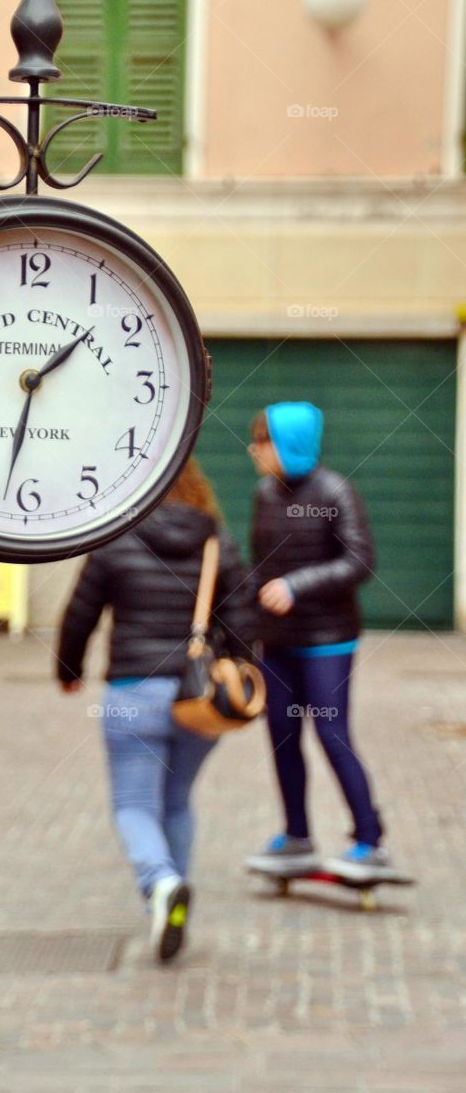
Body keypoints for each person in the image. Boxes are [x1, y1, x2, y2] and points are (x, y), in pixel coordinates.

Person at [55, 460, 255, 963]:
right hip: (198, 700)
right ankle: (170, 901)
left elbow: (81, 611)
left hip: (132, 692)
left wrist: (69, 667)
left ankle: (161, 885)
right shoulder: (215, 541)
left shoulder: (115, 536)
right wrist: (239, 671)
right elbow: (244, 620)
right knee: (178, 801)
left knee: (134, 804)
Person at [245, 401, 396, 881]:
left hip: (328, 640)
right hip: (278, 643)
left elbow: (360, 562)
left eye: (262, 441)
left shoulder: (336, 492)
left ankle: (369, 840)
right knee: (282, 736)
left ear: (288, 444)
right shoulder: (264, 494)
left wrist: (298, 586)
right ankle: (296, 837)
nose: (253, 450)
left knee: (332, 735)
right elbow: (261, 570)